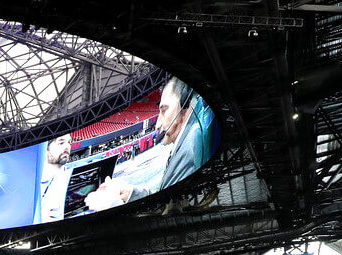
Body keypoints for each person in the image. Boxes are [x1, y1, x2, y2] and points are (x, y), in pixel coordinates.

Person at [85, 76, 211, 209]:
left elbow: (168, 217)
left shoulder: (188, 152)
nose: (157, 125)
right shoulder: (186, 142)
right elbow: (165, 200)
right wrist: (131, 193)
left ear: (185, 105)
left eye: (164, 110)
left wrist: (112, 204)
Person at [36, 134, 73, 222]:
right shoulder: (31, 181)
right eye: (61, 143)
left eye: (69, 142)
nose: (67, 147)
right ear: (45, 148)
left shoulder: (70, 173)